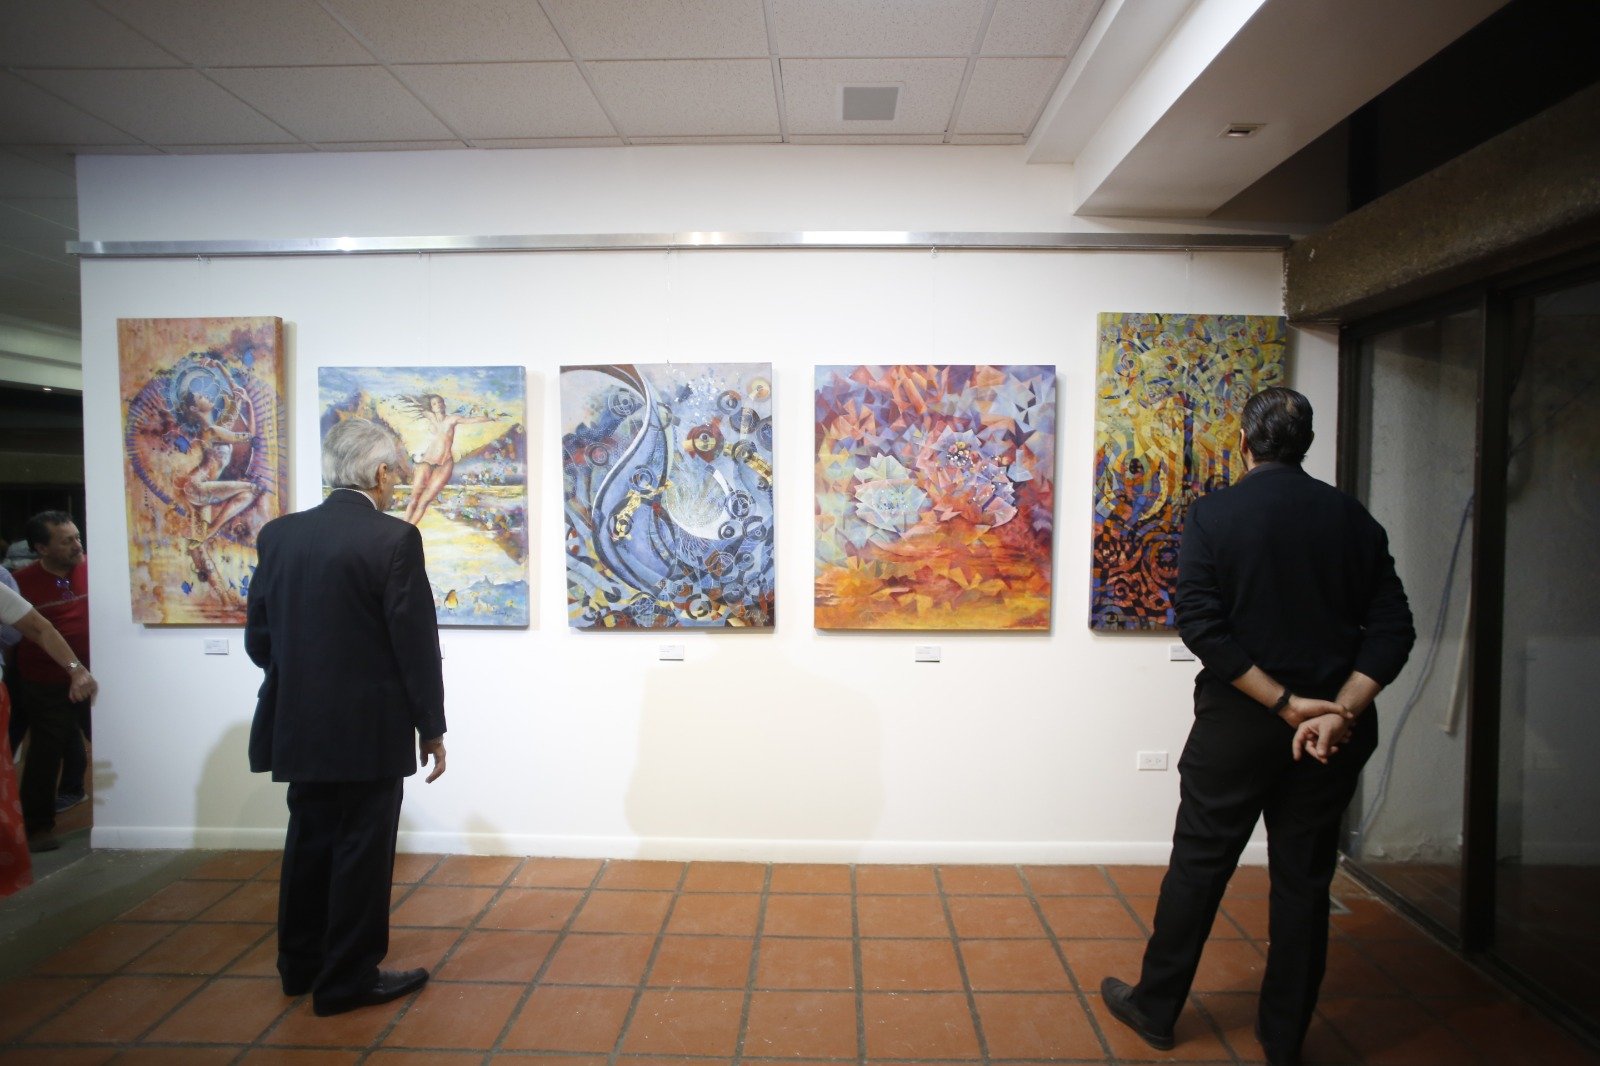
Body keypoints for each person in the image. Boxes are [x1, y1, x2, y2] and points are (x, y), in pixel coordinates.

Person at [1101, 387, 1415, 1066]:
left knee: (1199, 867)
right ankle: (1284, 1035)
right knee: (1304, 882)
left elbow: (1202, 625)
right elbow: (1394, 629)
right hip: (1330, 736)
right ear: (1306, 445)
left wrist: (1284, 704)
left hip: (1240, 727)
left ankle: (1156, 1007)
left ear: (1244, 442)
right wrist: (1338, 710)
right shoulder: (1353, 518)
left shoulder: (1217, 514)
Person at [245, 417, 447, 1017]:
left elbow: (259, 639)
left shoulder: (279, 535)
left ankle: (299, 966)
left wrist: (302, 681)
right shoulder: (394, 539)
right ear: (380, 473)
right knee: (362, 849)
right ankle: (347, 980)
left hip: (298, 721)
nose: (399, 481)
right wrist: (431, 727)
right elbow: (415, 646)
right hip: (367, 727)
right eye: (397, 471)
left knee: (308, 839)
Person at [0, 578, 98, 889]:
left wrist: (75, 670)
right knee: (46, 750)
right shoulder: (26, 576)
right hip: (38, 684)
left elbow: (38, 627)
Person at [11, 511, 92, 853]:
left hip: (95, 676)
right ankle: (37, 827)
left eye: (77, 537)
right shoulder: (20, 583)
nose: (77, 545)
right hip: (45, 681)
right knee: (46, 753)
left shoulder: (92, 570)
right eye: (67, 541)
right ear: (42, 548)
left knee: (116, 740)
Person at [398, 393, 495, 524]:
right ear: (432, 407)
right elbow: (416, 405)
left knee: (424, 501)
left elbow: (470, 420)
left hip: (444, 463)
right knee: (414, 499)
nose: (438, 405)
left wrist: (490, 418)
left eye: (440, 402)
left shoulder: (452, 419)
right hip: (426, 462)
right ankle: (402, 528)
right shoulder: (430, 416)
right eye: (434, 404)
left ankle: (409, 530)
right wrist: (410, 398)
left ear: (444, 405)